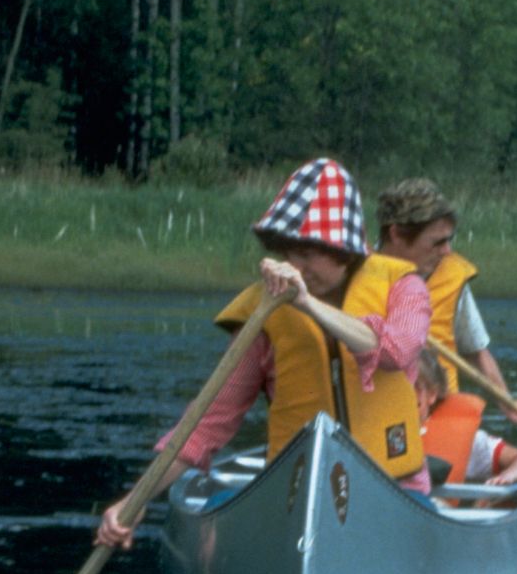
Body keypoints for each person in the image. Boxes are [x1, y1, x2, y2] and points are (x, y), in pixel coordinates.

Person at [96, 158, 433, 549]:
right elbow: (207, 422)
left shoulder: (404, 288)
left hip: (395, 490)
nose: (295, 268)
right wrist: (134, 499)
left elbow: (395, 350)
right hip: (299, 495)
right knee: (216, 521)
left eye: (309, 254)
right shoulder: (264, 310)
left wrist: (307, 305)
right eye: (288, 253)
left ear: (345, 251)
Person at [374, 178, 517, 431]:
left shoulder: (451, 275)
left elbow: (476, 351)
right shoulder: (359, 273)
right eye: (437, 242)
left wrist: (509, 403)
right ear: (396, 234)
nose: (446, 251)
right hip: (376, 412)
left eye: (448, 240)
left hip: (437, 413)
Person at [414, 351, 517, 487]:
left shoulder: (467, 441)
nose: (401, 397)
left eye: (413, 386)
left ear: (432, 394)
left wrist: (507, 476)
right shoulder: (388, 436)